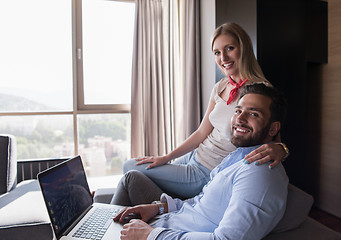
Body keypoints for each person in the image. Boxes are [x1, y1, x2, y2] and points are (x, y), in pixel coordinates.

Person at [123, 22, 289, 199]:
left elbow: (274, 141)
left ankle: (166, 209)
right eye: (217, 52)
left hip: (207, 171)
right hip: (195, 156)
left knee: (130, 167)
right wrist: (166, 157)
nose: (223, 58)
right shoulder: (221, 86)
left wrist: (282, 150)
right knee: (133, 178)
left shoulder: (261, 91)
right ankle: (159, 210)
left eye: (229, 48)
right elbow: (202, 132)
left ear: (244, 49)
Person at [113, 83, 289, 240]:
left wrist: (151, 235)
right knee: (107, 215)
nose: (240, 119)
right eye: (238, 111)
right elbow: (200, 203)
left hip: (160, 233)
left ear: (273, 128)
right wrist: (158, 208)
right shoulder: (237, 158)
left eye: (253, 114)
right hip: (163, 223)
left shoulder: (259, 175)